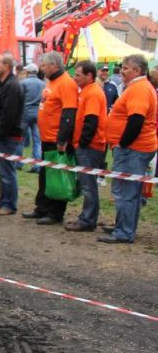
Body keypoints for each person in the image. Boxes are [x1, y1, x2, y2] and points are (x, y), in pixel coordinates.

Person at [99, 54, 157, 243]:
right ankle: (123, 225)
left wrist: (122, 143)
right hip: (134, 148)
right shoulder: (137, 87)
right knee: (128, 190)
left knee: (126, 191)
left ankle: (124, 231)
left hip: (133, 149)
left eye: (125, 68)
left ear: (137, 70)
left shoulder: (139, 89)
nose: (121, 72)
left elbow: (136, 121)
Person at [22, 51, 78, 225]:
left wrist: (62, 140)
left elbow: (69, 113)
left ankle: (55, 213)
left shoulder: (66, 83)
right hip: (46, 137)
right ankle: (42, 208)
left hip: (56, 139)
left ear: (54, 65)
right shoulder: (51, 81)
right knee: (45, 175)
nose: (42, 68)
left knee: (57, 177)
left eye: (44, 65)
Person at [65, 60, 107, 232]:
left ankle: (88, 220)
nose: (75, 78)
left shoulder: (93, 93)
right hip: (86, 145)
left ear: (89, 75)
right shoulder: (87, 90)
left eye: (78, 75)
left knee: (88, 185)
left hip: (90, 146)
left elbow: (91, 120)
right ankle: (87, 218)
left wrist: (82, 144)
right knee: (87, 184)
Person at [0, 52, 24, 215]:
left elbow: (9, 113)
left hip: (8, 135)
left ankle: (9, 204)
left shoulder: (12, 86)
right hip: (1, 134)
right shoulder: (2, 84)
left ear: (6, 66)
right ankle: (3, 201)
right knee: (1, 171)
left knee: (7, 171)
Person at [18, 62, 45, 172]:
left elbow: (19, 98)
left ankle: (18, 163)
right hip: (38, 113)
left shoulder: (23, 83)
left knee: (20, 138)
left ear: (28, 72)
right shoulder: (43, 84)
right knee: (37, 140)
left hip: (25, 113)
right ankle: (37, 165)